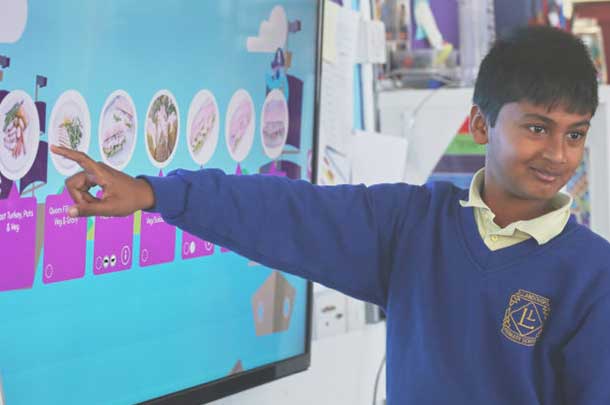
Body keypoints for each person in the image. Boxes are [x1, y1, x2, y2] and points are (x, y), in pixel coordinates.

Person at [51, 26, 610, 404]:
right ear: (482, 126)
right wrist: (154, 193)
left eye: (575, 134)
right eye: (537, 127)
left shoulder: (592, 276)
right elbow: (284, 212)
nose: (557, 154)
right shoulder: (412, 224)